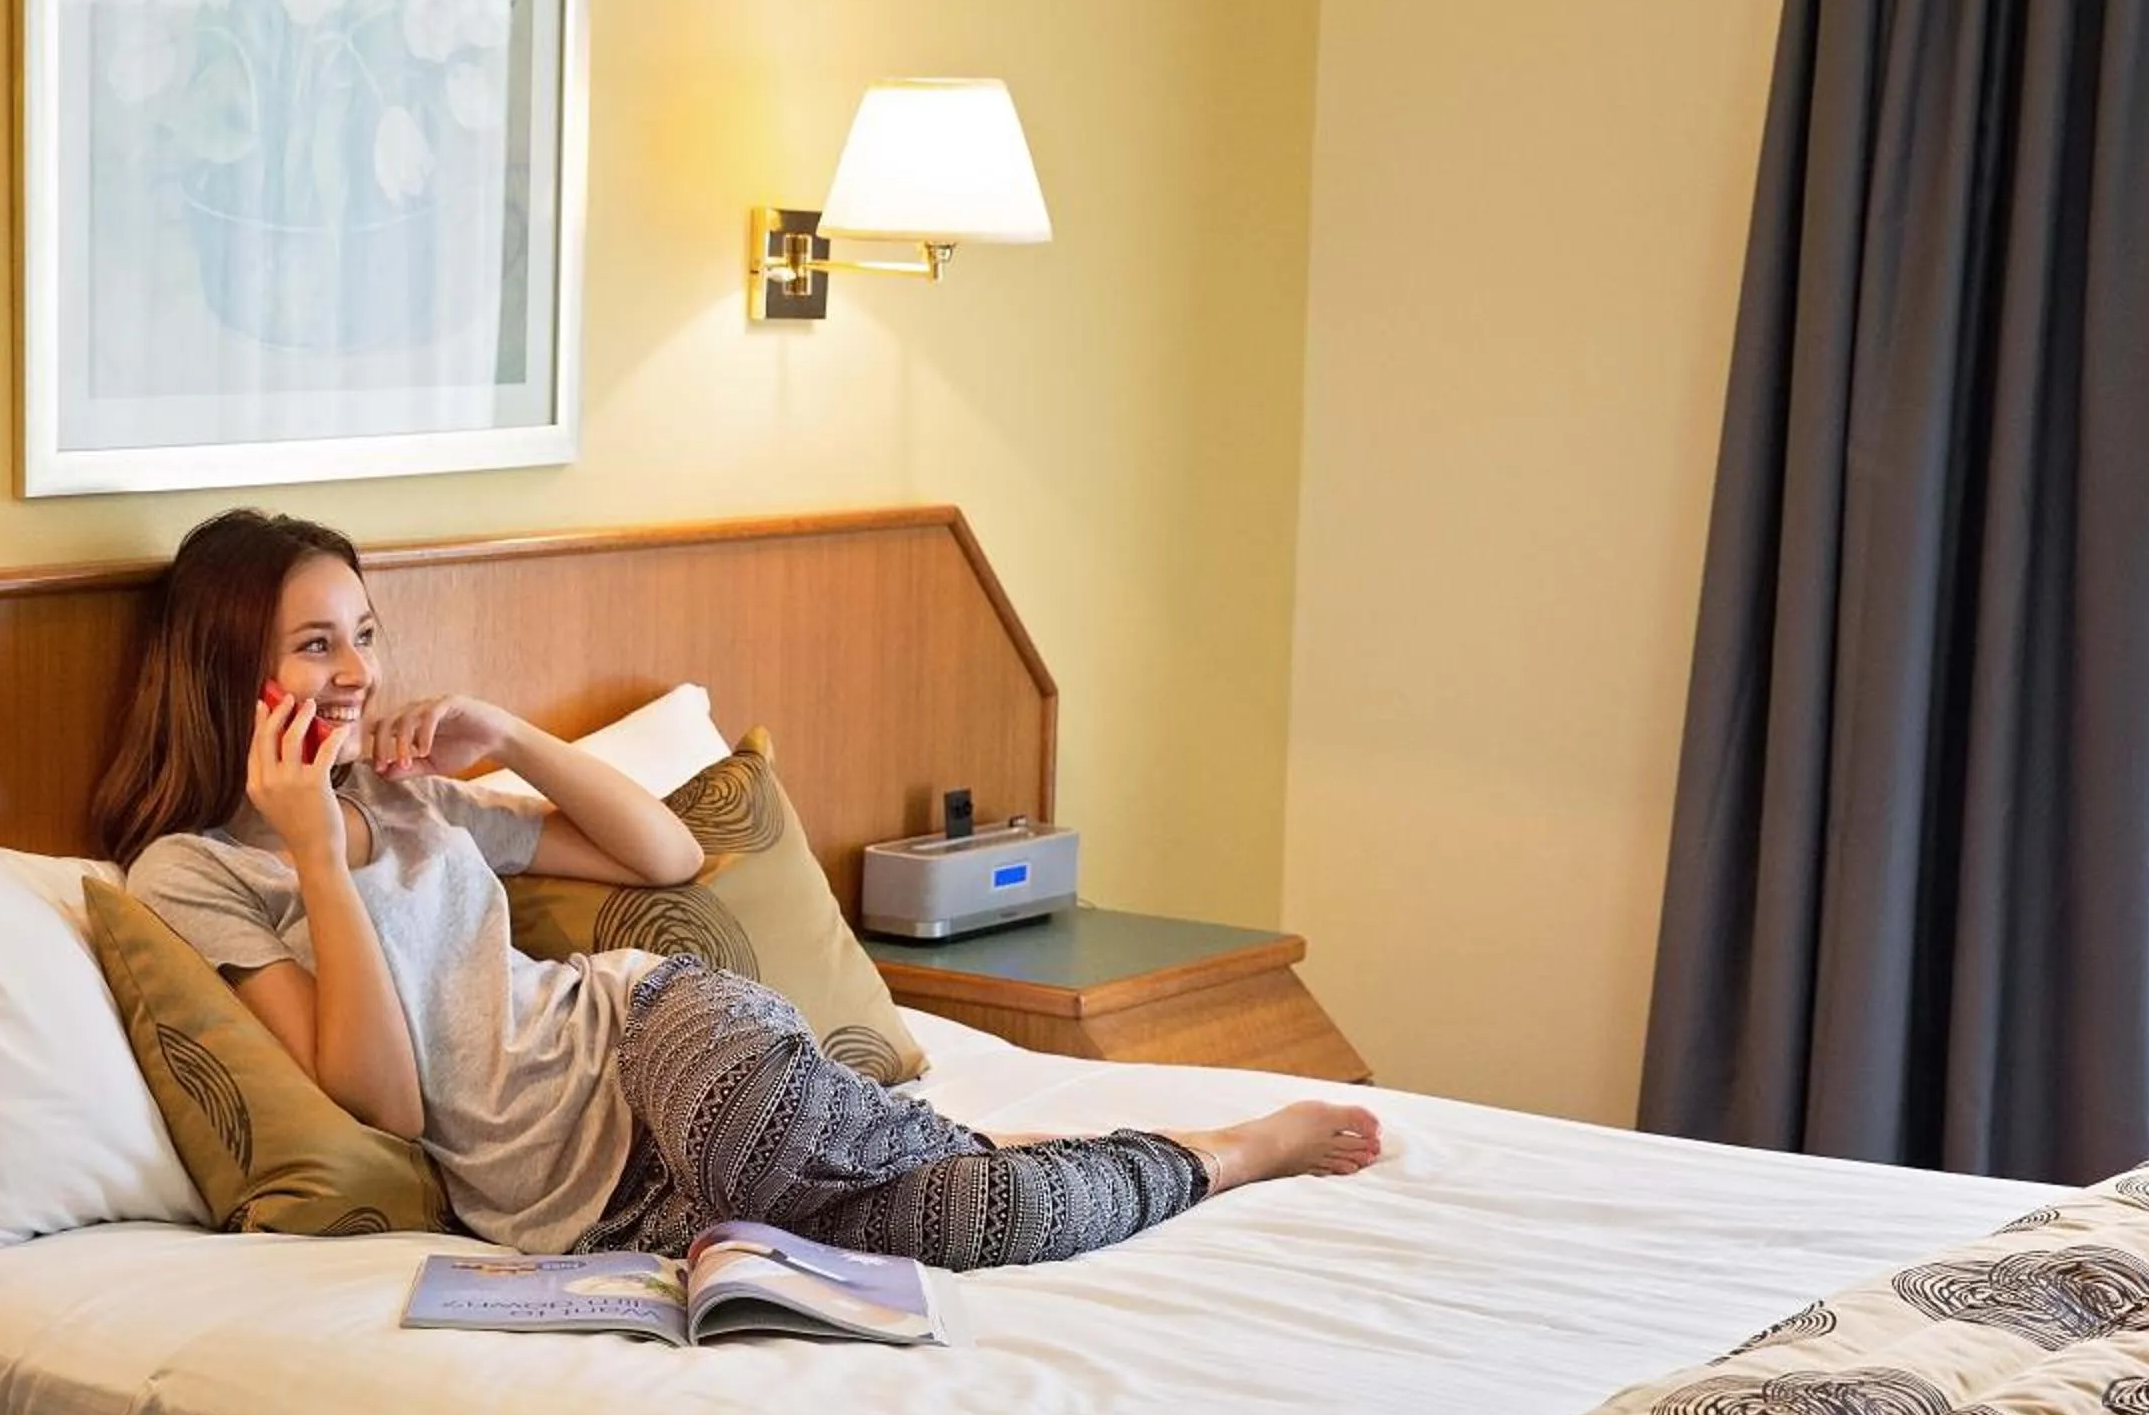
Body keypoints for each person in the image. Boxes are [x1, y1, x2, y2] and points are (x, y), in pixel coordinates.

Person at [95, 509, 1382, 1272]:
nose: (357, 671)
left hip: (653, 1040)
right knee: (949, 1218)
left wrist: (514, 737)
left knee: (951, 1204)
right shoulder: (196, 871)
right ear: (229, 667)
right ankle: (1155, 1153)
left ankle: (1217, 1147)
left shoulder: (410, 794)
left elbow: (660, 859)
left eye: (366, 633)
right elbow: (377, 1094)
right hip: (595, 1197)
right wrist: (312, 850)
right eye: (316, 643)